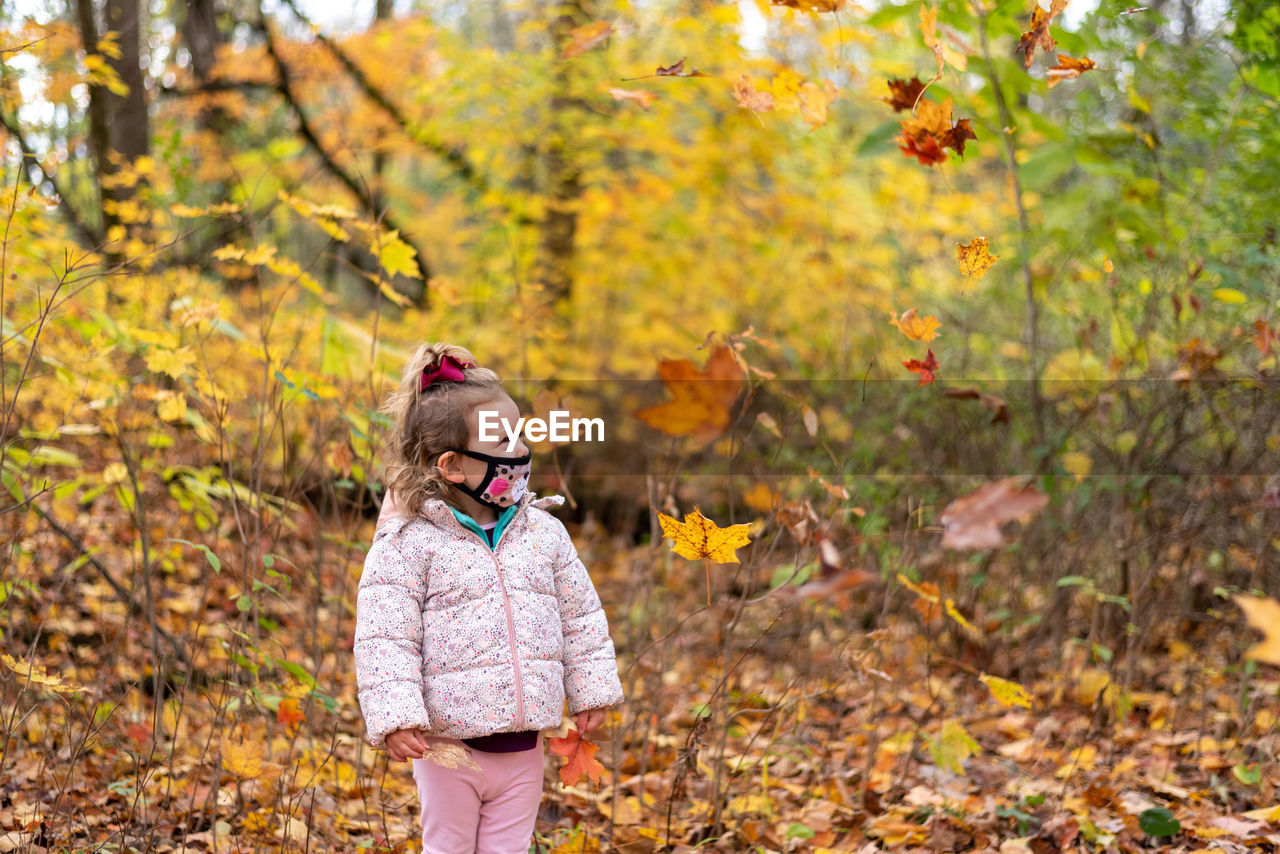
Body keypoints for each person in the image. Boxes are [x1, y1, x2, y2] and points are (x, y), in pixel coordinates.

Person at [353, 343, 625, 854]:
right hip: (448, 749)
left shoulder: (543, 533)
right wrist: (395, 715)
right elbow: (385, 638)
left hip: (525, 746)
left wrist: (592, 692)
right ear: (452, 465)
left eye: (521, 434)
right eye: (503, 439)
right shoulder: (409, 543)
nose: (519, 449)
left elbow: (581, 617)